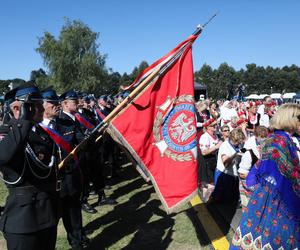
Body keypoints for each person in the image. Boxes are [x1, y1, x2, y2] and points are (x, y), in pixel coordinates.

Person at [0, 83, 61, 250]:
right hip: (23, 220)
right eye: (36, 104)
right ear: (18, 107)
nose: (42, 107)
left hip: (47, 213)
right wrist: (23, 120)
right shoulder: (6, 132)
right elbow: (3, 156)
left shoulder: (40, 133)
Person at [231, 104, 300, 249]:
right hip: (279, 198)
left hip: (270, 195)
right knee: (274, 237)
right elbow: (281, 176)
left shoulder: (279, 138)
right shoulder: (280, 141)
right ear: (289, 119)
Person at [56, 90, 89, 249]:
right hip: (64, 174)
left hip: (76, 170)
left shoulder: (71, 121)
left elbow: (80, 141)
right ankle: (75, 240)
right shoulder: (59, 122)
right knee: (68, 210)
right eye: (73, 101)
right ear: (65, 104)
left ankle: (80, 234)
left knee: (75, 207)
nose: (77, 103)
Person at [213, 128, 246, 204]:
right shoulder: (225, 146)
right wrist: (235, 154)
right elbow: (225, 163)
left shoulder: (237, 145)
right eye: (239, 142)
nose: (240, 143)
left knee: (232, 200)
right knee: (222, 202)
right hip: (224, 175)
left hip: (233, 175)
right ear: (234, 140)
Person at [238, 126, 268, 207]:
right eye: (261, 137)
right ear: (256, 136)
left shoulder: (268, 148)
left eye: (265, 137)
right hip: (250, 183)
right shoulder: (250, 149)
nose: (264, 139)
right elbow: (242, 174)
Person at [198, 119, 222, 202]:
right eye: (213, 125)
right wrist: (216, 147)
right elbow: (204, 152)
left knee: (210, 184)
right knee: (209, 185)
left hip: (212, 160)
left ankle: (206, 201)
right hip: (206, 161)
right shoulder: (204, 137)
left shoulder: (215, 135)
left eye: (215, 125)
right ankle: (206, 202)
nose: (215, 126)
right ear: (207, 127)